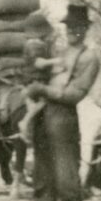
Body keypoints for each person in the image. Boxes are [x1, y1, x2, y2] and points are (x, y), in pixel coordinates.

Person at [23, 3, 101, 201]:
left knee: (68, 184)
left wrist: (42, 90)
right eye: (68, 26)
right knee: (42, 182)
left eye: (77, 27)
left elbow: (75, 94)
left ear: (85, 29)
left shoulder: (90, 57)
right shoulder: (60, 52)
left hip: (63, 120)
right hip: (43, 118)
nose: (72, 31)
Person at [17, 13, 64, 144]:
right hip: (34, 81)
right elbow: (39, 63)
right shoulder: (34, 45)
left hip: (39, 80)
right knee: (46, 101)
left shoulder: (40, 44)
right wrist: (57, 61)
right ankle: (25, 121)